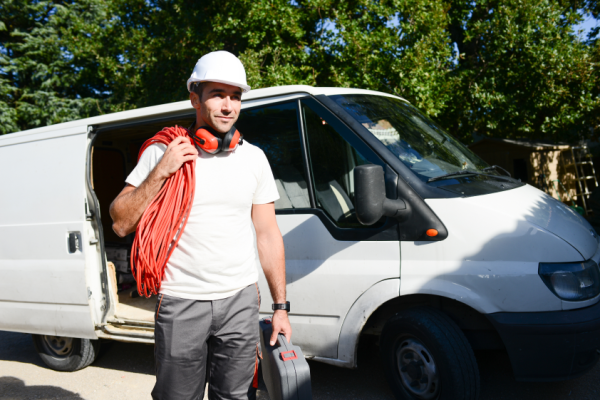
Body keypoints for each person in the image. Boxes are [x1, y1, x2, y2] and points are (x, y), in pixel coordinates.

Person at [109, 50, 292, 400]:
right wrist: (162, 171)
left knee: (236, 396)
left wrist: (280, 307)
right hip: (182, 301)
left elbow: (267, 234)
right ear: (195, 97)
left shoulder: (254, 158)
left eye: (235, 96)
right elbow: (120, 222)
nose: (228, 106)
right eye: (217, 95)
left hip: (240, 300)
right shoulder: (163, 153)